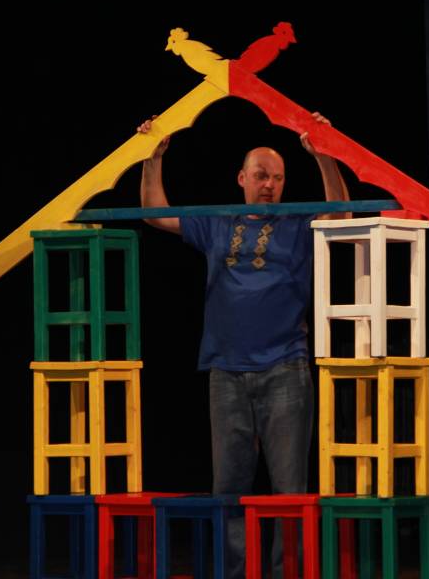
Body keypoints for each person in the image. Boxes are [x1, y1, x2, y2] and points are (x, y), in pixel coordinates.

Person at [137, 112, 349, 577]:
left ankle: (286, 573)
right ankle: (236, 572)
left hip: (285, 370)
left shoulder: (296, 222)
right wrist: (152, 160)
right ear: (242, 178)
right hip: (227, 372)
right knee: (229, 490)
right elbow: (155, 212)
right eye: (261, 175)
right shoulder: (218, 222)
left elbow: (341, 215)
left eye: (277, 178)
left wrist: (325, 157)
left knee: (289, 489)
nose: (269, 185)